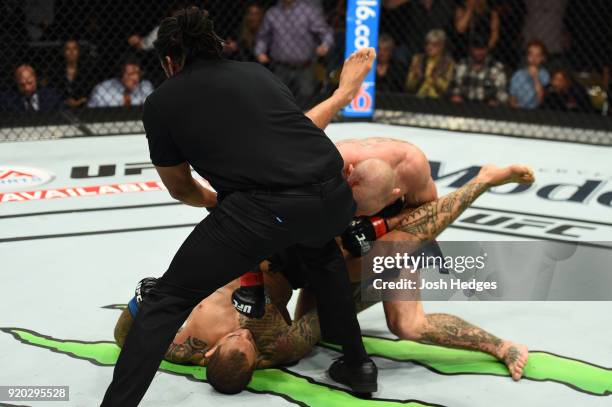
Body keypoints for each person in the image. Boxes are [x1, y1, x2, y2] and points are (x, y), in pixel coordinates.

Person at [100, 7, 378, 406]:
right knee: (322, 256)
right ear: (215, 46)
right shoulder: (257, 73)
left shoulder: (161, 102)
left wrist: (215, 200)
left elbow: (180, 187)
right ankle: (358, 365)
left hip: (266, 209)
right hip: (334, 197)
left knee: (167, 299)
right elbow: (291, 134)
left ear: (168, 61)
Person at [113, 162, 534, 394]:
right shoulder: (277, 347)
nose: (244, 336)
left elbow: (124, 338)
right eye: (248, 345)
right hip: (302, 265)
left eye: (236, 340)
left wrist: (139, 301)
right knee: (401, 262)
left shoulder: (187, 345)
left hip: (260, 235)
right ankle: (480, 182)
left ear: (208, 353)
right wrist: (379, 277)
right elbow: (331, 316)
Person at [255, 0, 334, 108]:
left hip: (305, 66)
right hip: (280, 66)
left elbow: (325, 32)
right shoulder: (272, 13)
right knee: (278, 98)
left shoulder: (308, 11)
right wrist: (260, 51)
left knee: (306, 99)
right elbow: (263, 36)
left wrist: (325, 45)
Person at [450, 36, 508, 106]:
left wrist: (497, 101)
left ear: (487, 49)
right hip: (464, 106)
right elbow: (456, 87)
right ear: (471, 49)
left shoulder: (496, 68)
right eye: (476, 49)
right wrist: (456, 95)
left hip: (488, 109)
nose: (479, 52)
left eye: (482, 49)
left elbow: (502, 92)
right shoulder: (462, 65)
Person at [405, 29, 455, 98]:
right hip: (417, 96)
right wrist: (416, 77)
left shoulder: (448, 62)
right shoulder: (417, 59)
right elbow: (408, 86)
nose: (429, 47)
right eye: (427, 43)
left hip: (437, 99)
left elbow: (445, 88)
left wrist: (434, 79)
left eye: (434, 45)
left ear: (442, 46)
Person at [87, 58, 153, 108]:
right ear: (121, 74)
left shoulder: (146, 87)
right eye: (131, 74)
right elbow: (90, 114)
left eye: (138, 73)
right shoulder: (102, 89)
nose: (136, 78)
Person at [50, 39, 93, 109]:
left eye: (74, 48)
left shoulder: (87, 71)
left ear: (79, 52)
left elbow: (91, 92)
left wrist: (79, 102)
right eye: (68, 49)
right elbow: (52, 92)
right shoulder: (56, 72)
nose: (71, 52)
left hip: (84, 107)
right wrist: (65, 102)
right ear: (63, 52)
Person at [509, 40, 549, 109]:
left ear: (543, 58)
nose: (534, 58)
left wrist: (536, 78)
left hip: (536, 110)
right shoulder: (518, 74)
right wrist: (515, 105)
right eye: (531, 55)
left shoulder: (544, 74)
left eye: (538, 56)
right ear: (527, 56)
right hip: (518, 108)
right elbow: (512, 95)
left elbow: (541, 99)